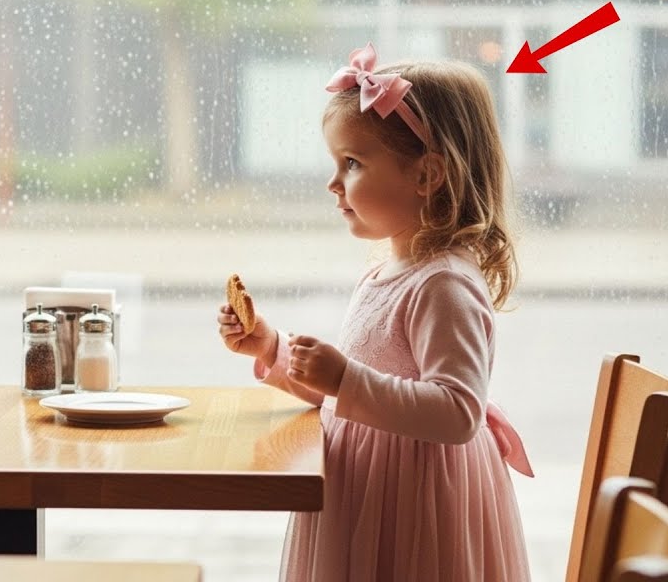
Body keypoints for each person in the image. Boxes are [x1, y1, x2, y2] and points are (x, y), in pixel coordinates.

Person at [218, 43, 533, 581]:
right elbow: (353, 387)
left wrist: (344, 378)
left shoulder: (444, 285)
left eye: (353, 163)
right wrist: (273, 349)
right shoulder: (388, 270)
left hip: (418, 503)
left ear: (427, 175)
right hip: (372, 488)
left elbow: (458, 411)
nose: (333, 183)